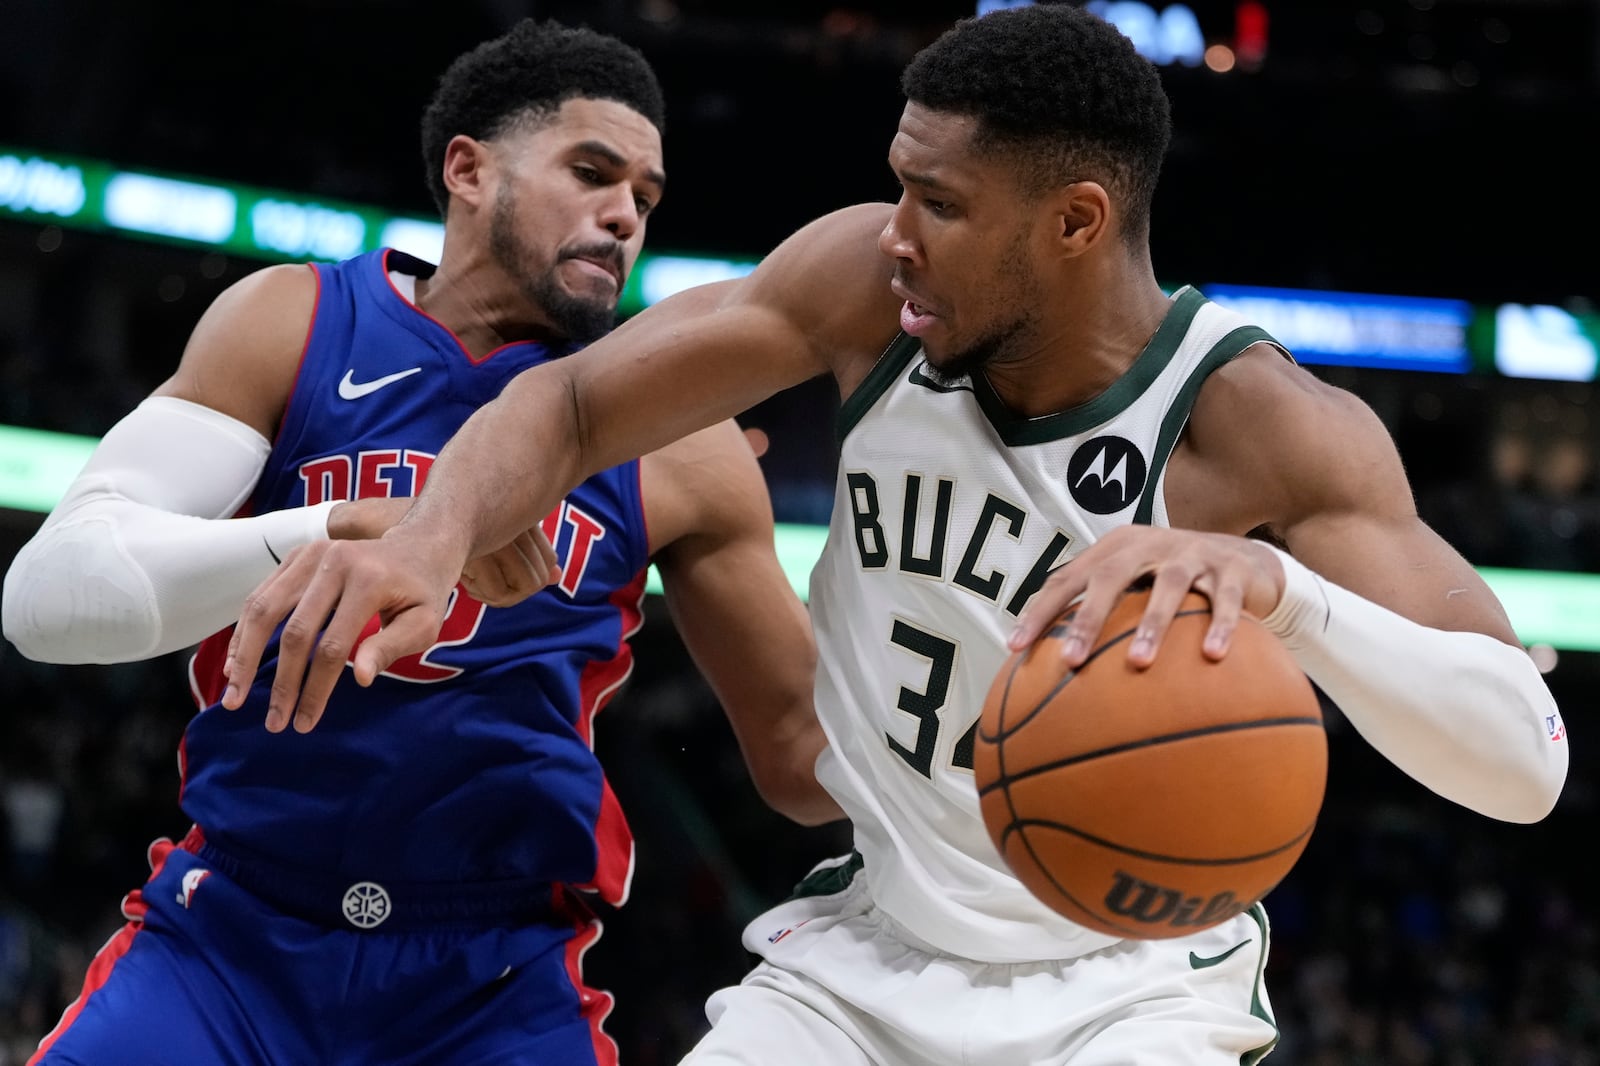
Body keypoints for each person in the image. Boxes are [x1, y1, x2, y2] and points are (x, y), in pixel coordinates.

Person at [222, 5, 1571, 1063]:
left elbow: (1525, 759)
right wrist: (433, 537)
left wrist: (1280, 591)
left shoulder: (1261, 424)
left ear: (1075, 223)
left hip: (1123, 990)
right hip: (871, 950)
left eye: (942, 202)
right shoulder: (863, 291)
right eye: (900, 183)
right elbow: (572, 402)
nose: (901, 231)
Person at [1, 17, 839, 1066]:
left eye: (646, 197)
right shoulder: (293, 323)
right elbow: (47, 597)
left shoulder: (681, 439)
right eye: (592, 171)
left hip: (490, 979)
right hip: (232, 940)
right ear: (467, 170)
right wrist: (336, 525)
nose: (623, 214)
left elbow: (805, 762)